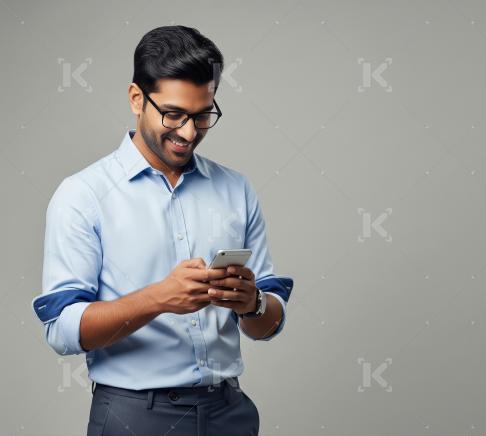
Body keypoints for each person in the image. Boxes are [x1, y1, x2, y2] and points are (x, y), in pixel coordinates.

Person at [30, 25, 293, 436]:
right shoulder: (83, 195)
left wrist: (252, 302)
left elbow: (270, 323)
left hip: (230, 414)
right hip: (135, 416)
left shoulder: (236, 189)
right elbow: (62, 330)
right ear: (137, 99)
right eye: (174, 114)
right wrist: (159, 299)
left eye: (203, 114)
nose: (189, 132)